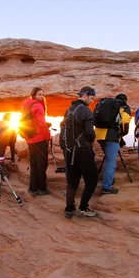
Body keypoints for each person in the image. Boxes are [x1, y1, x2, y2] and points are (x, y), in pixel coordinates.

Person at [61, 86, 98, 218]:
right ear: (86, 95)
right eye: (92, 98)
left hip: (70, 151)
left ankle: (69, 209)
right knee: (92, 180)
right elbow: (89, 132)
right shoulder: (86, 111)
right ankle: (83, 208)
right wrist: (91, 140)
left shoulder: (69, 109)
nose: (92, 101)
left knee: (72, 181)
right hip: (83, 150)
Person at [95, 93, 131, 194]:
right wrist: (121, 134)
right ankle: (107, 186)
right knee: (111, 161)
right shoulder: (124, 107)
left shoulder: (106, 104)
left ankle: (108, 179)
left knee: (108, 158)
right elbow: (124, 121)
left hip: (98, 134)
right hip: (111, 135)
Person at [21, 87, 51, 196]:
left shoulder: (26, 105)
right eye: (39, 94)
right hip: (40, 139)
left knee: (34, 163)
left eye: (42, 94)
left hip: (30, 139)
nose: (41, 97)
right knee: (42, 164)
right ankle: (42, 188)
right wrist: (48, 136)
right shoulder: (38, 105)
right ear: (33, 95)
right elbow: (41, 123)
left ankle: (33, 189)